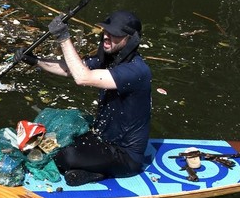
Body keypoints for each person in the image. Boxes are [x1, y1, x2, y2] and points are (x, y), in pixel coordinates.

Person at [15, 10, 152, 187]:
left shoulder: (136, 71)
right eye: (106, 32)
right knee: (52, 139)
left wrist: (64, 38)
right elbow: (71, 68)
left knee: (65, 155)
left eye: (114, 34)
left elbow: (83, 77)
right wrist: (35, 61)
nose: (106, 37)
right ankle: (89, 170)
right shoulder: (111, 59)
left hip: (125, 156)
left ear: (129, 40)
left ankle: (97, 174)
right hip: (101, 139)